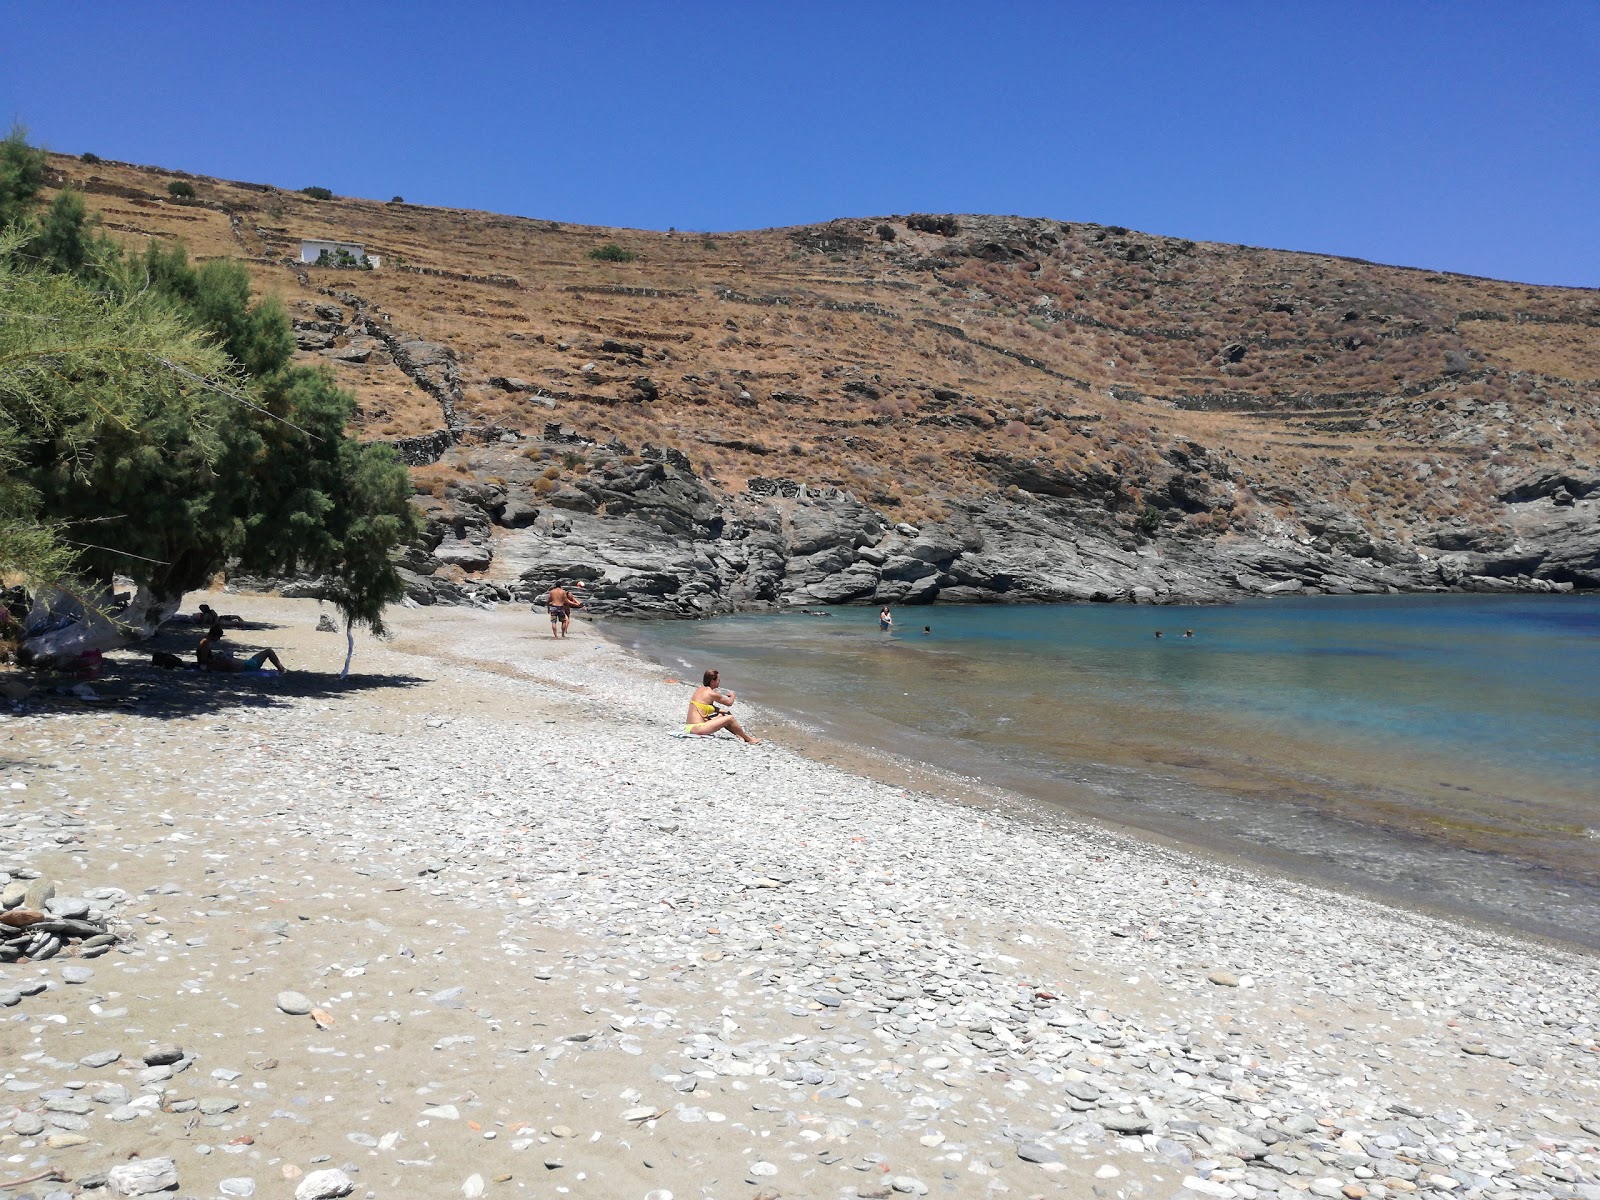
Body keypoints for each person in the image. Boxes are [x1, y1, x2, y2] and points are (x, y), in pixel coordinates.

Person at [683, 668, 761, 743]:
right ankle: (748, 739)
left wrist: (723, 711)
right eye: (718, 679)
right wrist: (733, 695)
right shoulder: (712, 693)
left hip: (690, 727)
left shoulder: (700, 689)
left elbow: (706, 707)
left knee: (723, 715)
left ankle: (739, 734)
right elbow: (729, 703)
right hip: (698, 728)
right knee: (729, 718)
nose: (719, 681)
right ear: (712, 681)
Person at [196, 625, 286, 674]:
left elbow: (205, 660)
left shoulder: (204, 641)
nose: (218, 640)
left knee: (266, 652)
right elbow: (204, 661)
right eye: (218, 637)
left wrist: (218, 657)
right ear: (214, 636)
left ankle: (282, 669)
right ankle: (282, 670)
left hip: (245, 663)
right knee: (268, 651)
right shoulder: (205, 643)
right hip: (248, 665)